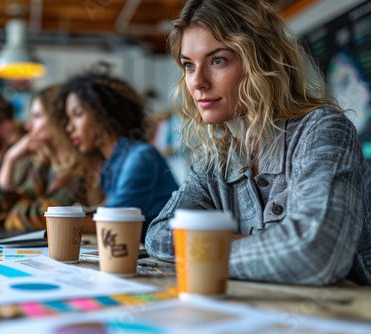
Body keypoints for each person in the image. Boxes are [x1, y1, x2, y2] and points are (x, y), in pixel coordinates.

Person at [145, 0, 371, 286]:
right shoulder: (218, 159)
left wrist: (207, 248)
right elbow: (161, 234)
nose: (197, 82)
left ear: (261, 62)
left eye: (218, 60)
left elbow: (315, 252)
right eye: (189, 65)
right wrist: (272, 246)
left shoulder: (323, 131)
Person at [58, 72, 179, 242]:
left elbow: (115, 221)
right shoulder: (110, 163)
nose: (69, 128)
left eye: (77, 114)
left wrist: (53, 220)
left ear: (103, 114)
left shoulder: (141, 156)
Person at [0, 85, 104, 231]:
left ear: (58, 119)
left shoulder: (80, 168)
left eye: (37, 116)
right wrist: (10, 159)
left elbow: (41, 218)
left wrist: (18, 210)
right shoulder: (45, 166)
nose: (29, 126)